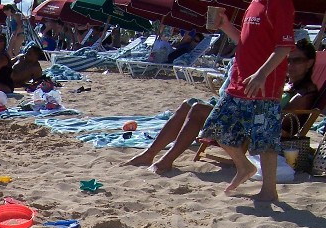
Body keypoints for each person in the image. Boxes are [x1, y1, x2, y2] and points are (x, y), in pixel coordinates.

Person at [126, 39, 317, 173]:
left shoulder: (303, 94)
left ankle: (166, 161)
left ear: (309, 63)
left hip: (253, 129)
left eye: (297, 60)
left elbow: (282, 129)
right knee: (188, 104)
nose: (290, 65)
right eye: (288, 60)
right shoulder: (285, 84)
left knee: (198, 110)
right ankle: (149, 154)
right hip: (245, 116)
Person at [200, 0, 296, 202]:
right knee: (215, 128)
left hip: (265, 86)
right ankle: (244, 166)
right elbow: (244, 42)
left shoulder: (280, 4)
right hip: (239, 82)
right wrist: (226, 26)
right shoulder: (254, 3)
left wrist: (262, 74)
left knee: (265, 140)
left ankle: (269, 191)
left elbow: (284, 47)